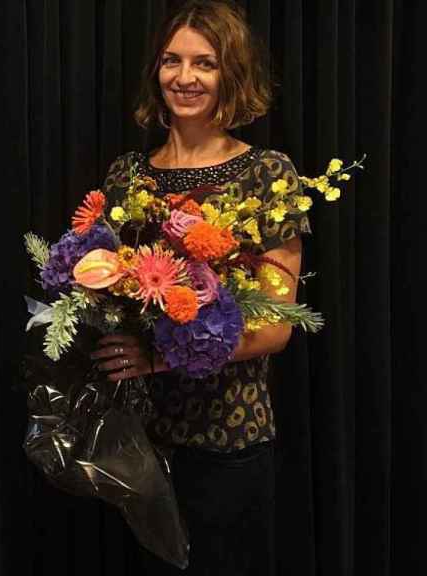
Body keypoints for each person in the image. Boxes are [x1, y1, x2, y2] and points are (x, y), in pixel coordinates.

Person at [88, 1, 307, 574]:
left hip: (227, 438)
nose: (184, 78)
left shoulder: (267, 174)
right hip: (136, 440)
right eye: (172, 61)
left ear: (230, 75)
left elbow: (276, 328)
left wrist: (158, 357)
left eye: (204, 64)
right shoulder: (127, 176)